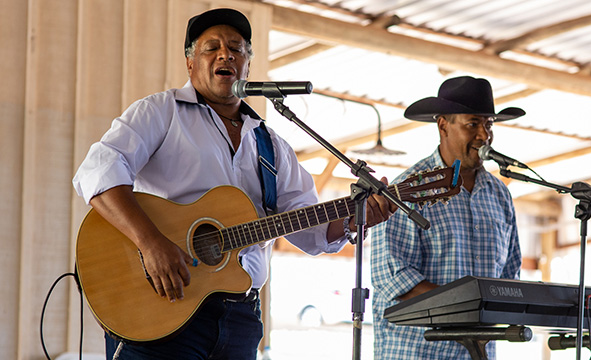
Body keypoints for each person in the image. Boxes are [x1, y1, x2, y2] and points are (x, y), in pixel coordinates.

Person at [72, 8, 395, 360]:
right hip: (165, 305)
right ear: (190, 63)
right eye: (211, 48)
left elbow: (308, 227)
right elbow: (97, 172)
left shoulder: (271, 144)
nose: (225, 54)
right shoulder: (161, 112)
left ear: (248, 67)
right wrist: (151, 244)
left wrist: (353, 217)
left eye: (236, 49)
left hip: (241, 320)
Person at [371, 76, 524, 359]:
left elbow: (510, 273)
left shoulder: (500, 194)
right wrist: (469, 307)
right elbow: (394, 276)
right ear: (443, 125)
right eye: (472, 124)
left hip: (478, 353)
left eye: (488, 125)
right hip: (417, 352)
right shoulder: (406, 188)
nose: (484, 135)